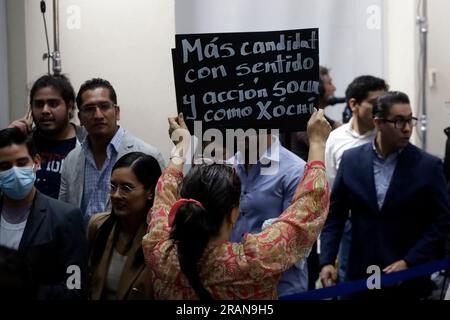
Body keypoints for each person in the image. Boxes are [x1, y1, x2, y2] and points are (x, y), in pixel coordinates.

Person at [142, 110, 331, 299]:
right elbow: (309, 206)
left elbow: (163, 196)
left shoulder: (160, 253)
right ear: (234, 214)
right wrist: (318, 143)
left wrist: (180, 148)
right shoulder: (252, 262)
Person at [319, 91, 450, 299]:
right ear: (378, 122)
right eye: (398, 121)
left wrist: (410, 261)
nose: (407, 129)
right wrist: (327, 260)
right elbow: (336, 215)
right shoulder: (352, 160)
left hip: (409, 278)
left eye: (409, 121)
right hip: (361, 275)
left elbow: (442, 221)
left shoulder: (428, 166)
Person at [59, 78, 165, 224]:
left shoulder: (149, 155)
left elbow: (163, 213)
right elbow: (64, 212)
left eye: (104, 106)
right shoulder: (71, 159)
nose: (98, 115)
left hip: (130, 245)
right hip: (82, 244)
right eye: (89, 109)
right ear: (80, 118)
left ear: (117, 112)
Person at [0, 127, 87, 299]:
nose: (15, 171)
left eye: (21, 163)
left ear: (37, 162)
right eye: (5, 166)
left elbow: (76, 288)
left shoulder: (66, 218)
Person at [324, 75, 388, 284]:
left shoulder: (386, 135)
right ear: (354, 104)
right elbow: (331, 192)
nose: (381, 108)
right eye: (374, 103)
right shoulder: (336, 138)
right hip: (350, 226)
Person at [230, 132, 308, 297]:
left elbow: (295, 238)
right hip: (236, 287)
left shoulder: (295, 169)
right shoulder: (230, 166)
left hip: (282, 288)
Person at [87, 152, 161, 300]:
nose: (115, 195)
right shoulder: (98, 225)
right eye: (113, 186)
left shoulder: (158, 241)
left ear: (150, 192)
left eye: (126, 188)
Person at [8, 74, 86, 199]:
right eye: (39, 104)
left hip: (68, 217)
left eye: (53, 104)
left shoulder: (87, 142)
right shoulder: (24, 142)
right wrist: (9, 139)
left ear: (70, 106)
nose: (45, 110)